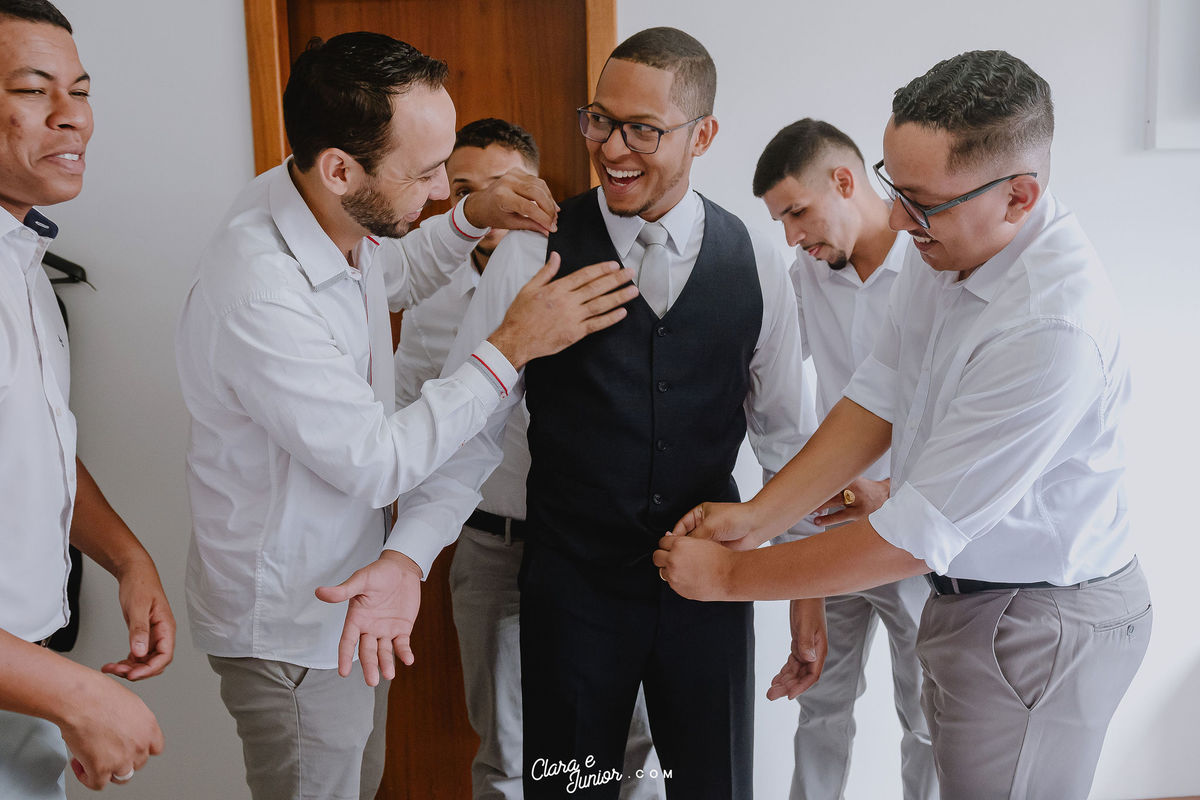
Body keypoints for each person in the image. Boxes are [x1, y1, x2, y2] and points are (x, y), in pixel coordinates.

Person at [655, 50, 1152, 799]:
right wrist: (759, 518)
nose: (894, 218)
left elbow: (915, 532)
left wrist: (729, 577)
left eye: (919, 201)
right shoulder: (943, 242)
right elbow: (878, 395)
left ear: (1018, 196)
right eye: (895, 188)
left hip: (1039, 616)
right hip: (966, 590)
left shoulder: (1051, 326)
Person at [351, 26, 812, 799]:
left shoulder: (759, 260)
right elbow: (471, 434)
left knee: (716, 786)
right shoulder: (532, 252)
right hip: (573, 598)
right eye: (599, 120)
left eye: (643, 129)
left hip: (711, 590)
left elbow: (788, 441)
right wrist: (407, 558)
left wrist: (805, 591)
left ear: (703, 136)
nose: (612, 147)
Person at [177, 33, 639, 800]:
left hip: (349, 595)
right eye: (425, 174)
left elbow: (389, 273)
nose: (439, 191)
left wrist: (472, 216)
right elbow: (378, 462)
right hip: (293, 622)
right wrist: (511, 346)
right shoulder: (260, 292)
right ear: (340, 169)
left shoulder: (315, 203)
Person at [394, 117, 658, 800]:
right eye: (466, 191)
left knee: (634, 739)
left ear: (541, 187)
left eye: (508, 184)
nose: (493, 205)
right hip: (491, 544)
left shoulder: (595, 270)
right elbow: (409, 432)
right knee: (506, 749)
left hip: (595, 545)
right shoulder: (426, 303)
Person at [0, 1, 176, 796]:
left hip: (25, 684)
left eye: (80, 90)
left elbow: (34, 446)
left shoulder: (24, 261)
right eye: (33, 90)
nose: (73, 117)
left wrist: (127, 558)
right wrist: (77, 695)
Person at [752, 118, 936, 800]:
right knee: (820, 706)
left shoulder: (933, 267)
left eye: (798, 213)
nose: (792, 236)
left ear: (844, 181)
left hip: (913, 533)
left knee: (926, 718)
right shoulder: (808, 272)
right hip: (831, 526)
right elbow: (769, 382)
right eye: (781, 220)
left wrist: (893, 493)